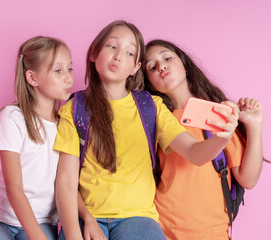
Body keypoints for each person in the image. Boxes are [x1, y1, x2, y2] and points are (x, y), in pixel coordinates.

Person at [54, 20, 239, 240]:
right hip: (87, 217)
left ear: (135, 68)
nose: (118, 56)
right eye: (112, 46)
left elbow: (194, 153)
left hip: (138, 219)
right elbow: (65, 181)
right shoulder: (74, 109)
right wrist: (75, 232)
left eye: (130, 53)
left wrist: (222, 138)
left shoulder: (151, 106)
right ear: (94, 53)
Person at [144, 39, 264, 240]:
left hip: (213, 232)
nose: (161, 66)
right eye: (152, 67)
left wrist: (255, 126)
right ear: (150, 84)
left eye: (167, 58)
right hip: (162, 231)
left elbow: (248, 179)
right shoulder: (156, 120)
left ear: (185, 66)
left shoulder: (219, 113)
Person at [0, 36, 74, 240]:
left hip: (42, 220)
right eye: (58, 70)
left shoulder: (67, 123)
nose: (69, 78)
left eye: (70, 69)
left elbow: (68, 182)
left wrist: (87, 219)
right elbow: (14, 188)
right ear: (32, 77)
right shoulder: (12, 118)